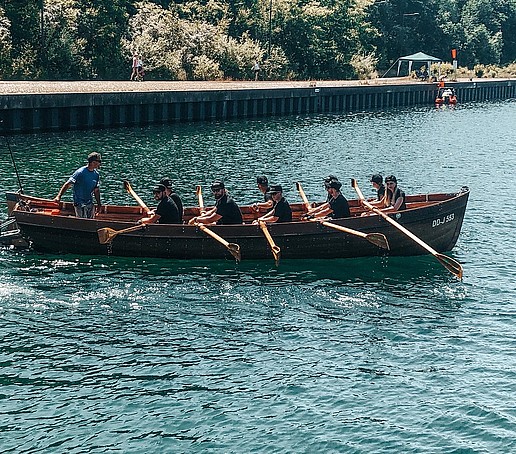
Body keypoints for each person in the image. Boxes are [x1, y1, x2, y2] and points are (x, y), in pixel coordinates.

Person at [54, 152, 102, 218]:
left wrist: (99, 204)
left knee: (90, 221)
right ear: (93, 162)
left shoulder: (96, 175)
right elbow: (68, 184)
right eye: (99, 161)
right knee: (82, 222)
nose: (100, 163)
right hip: (79, 203)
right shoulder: (80, 172)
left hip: (89, 202)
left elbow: (96, 190)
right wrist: (59, 196)